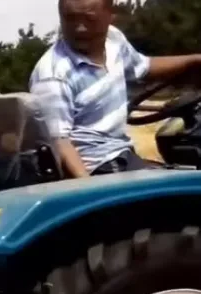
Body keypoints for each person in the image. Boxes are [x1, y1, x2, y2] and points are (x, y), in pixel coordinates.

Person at [30, 0, 201, 177]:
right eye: (70, 19)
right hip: (96, 166)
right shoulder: (53, 74)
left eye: (89, 19)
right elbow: (59, 142)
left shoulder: (113, 40)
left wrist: (193, 60)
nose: (79, 28)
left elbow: (143, 67)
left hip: (122, 154)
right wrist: (90, 191)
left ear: (110, 15)